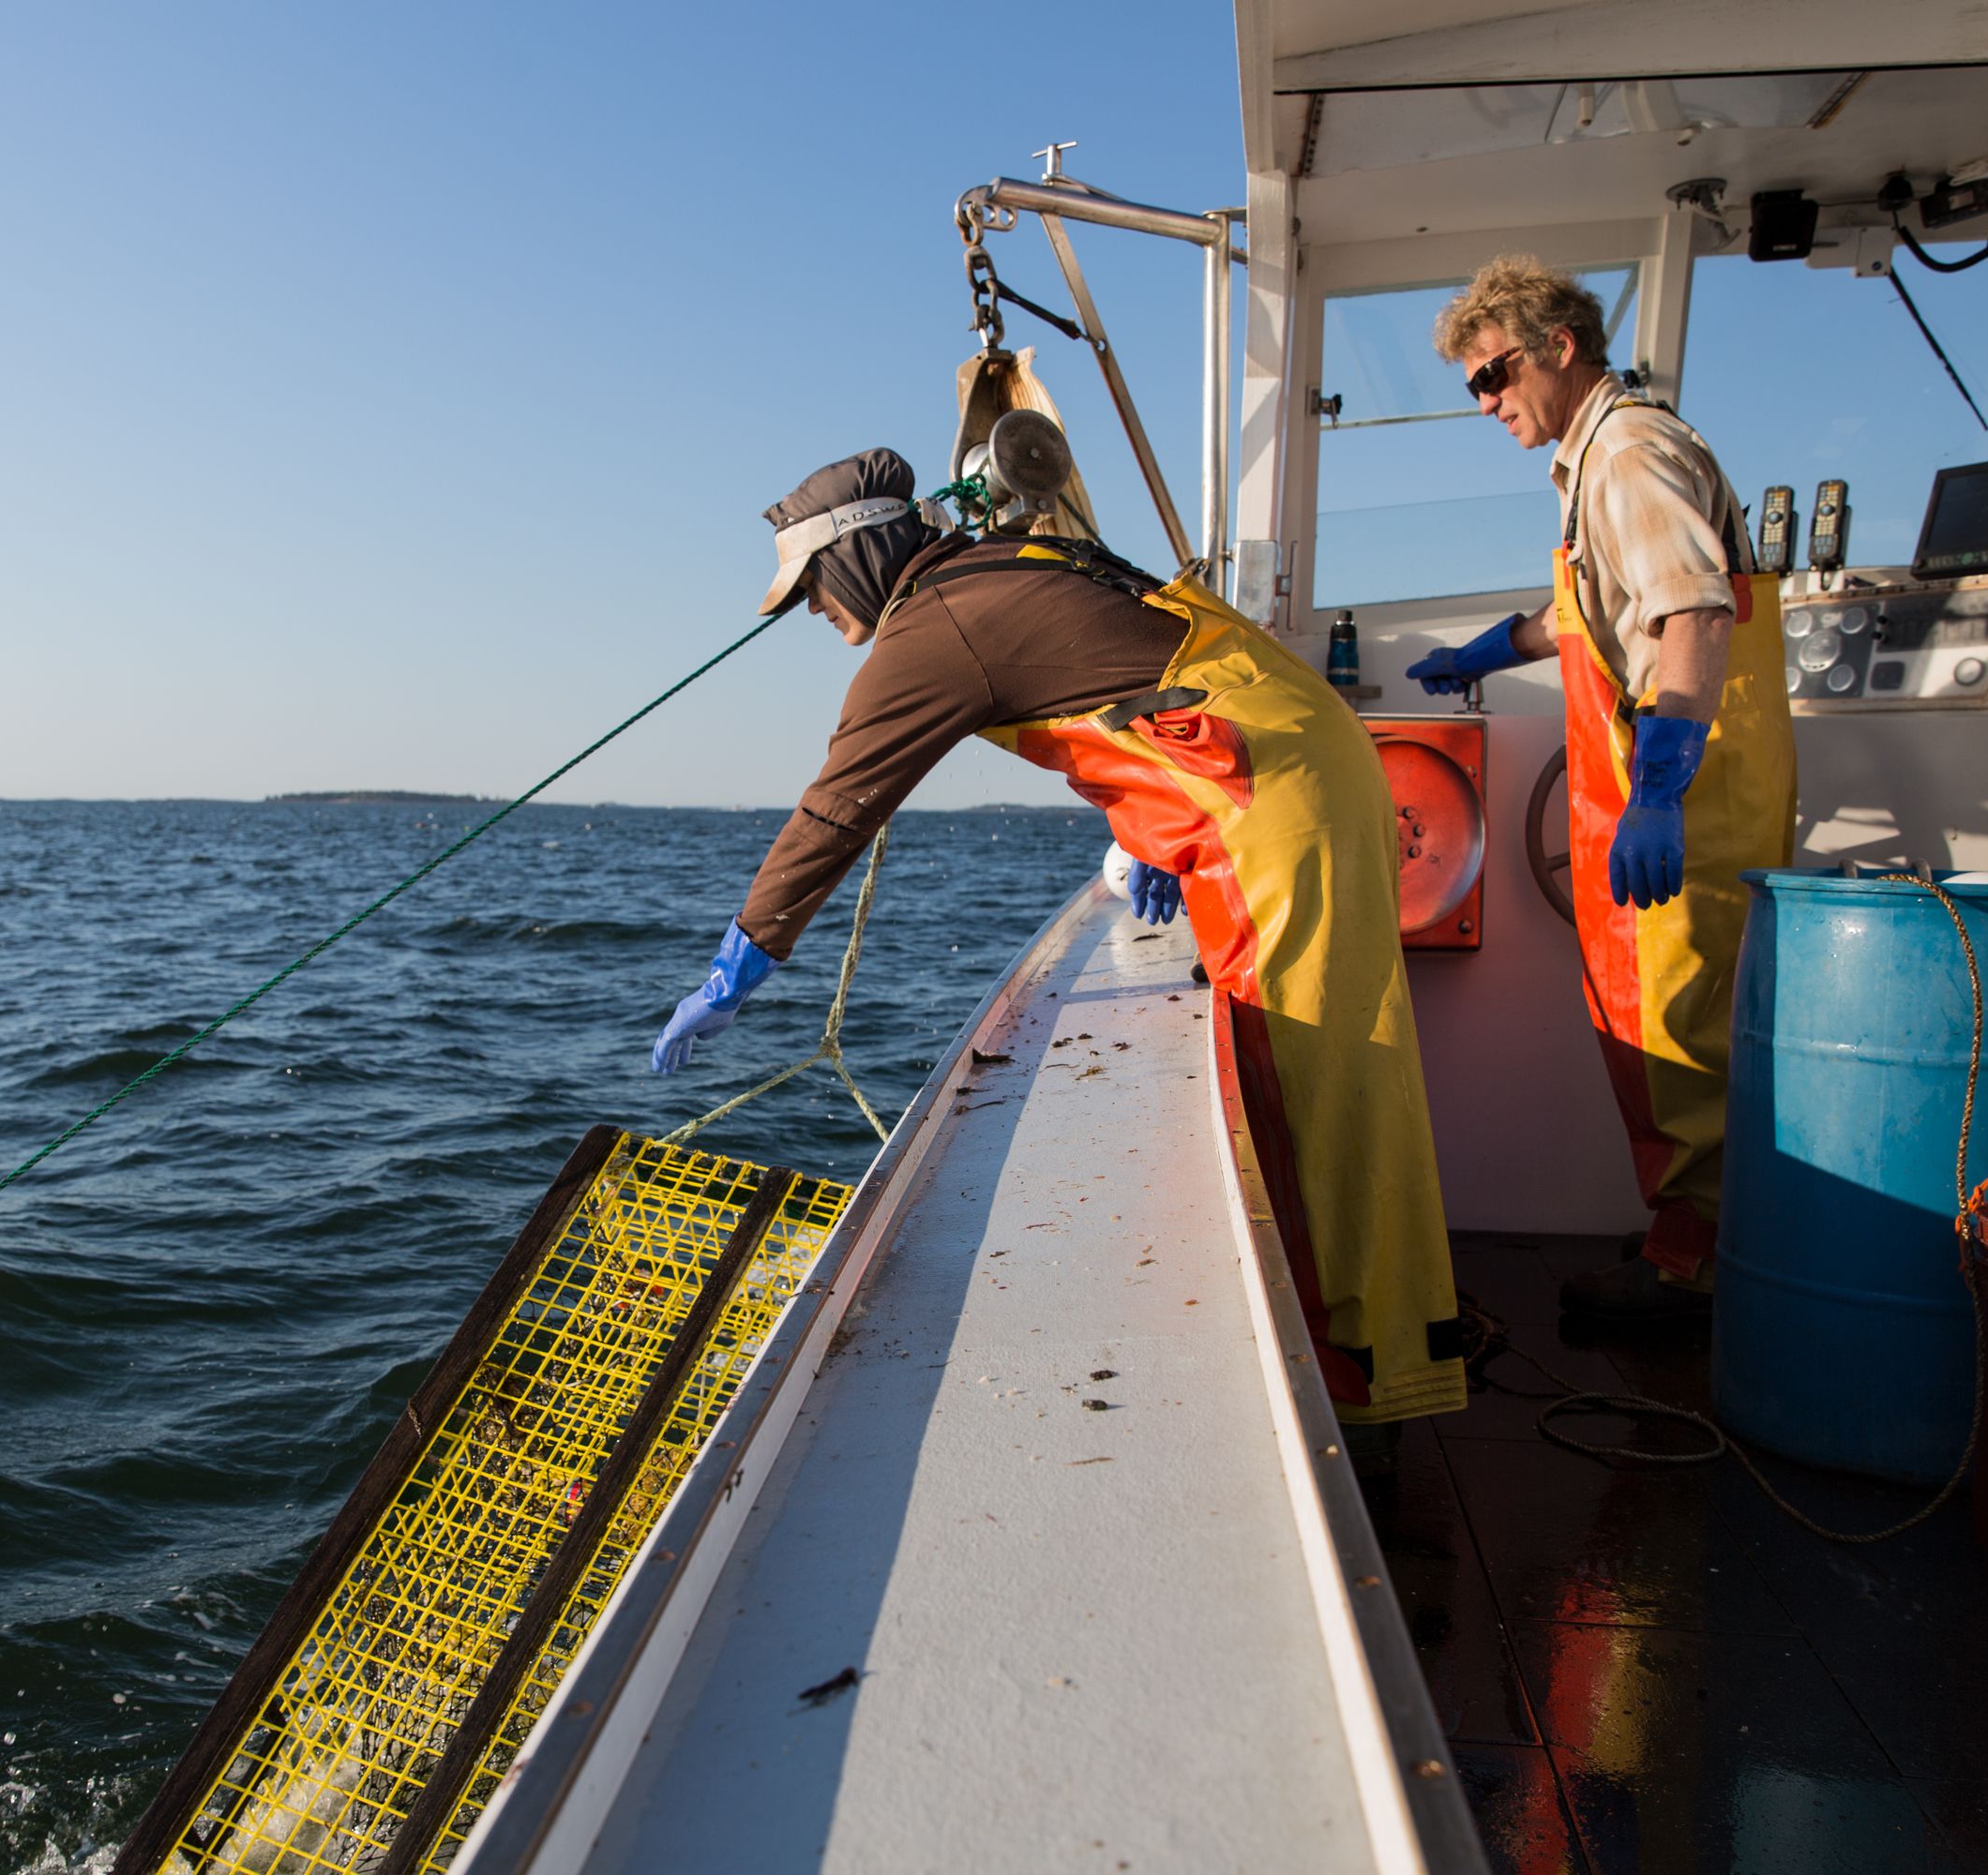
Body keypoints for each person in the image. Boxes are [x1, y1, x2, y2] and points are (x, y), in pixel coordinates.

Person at [653, 448, 1468, 1429]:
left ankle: (1362, 1390)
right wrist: (1149, 825)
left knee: (1314, 1088)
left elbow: (835, 810)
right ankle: (1382, 1356)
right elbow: (1130, 677)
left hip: (1266, 803)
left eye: (814, 589)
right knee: (1324, 1076)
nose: (817, 613)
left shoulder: (932, 629)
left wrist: (740, 961)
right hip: (1291, 766)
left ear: (858, 553)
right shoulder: (1011, 560)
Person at [1408, 257, 1795, 1323]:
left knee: (1681, 1035)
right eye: (1472, 386)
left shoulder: (1627, 452)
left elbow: (1694, 613)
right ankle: (1688, 1237)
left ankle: (1699, 1273)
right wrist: (1501, 646)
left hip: (1688, 801)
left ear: (1560, 348)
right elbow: (1601, 605)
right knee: (1654, 1027)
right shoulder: (1600, 462)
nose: (1486, 402)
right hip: (1651, 799)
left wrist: (1662, 786)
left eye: (1494, 375)